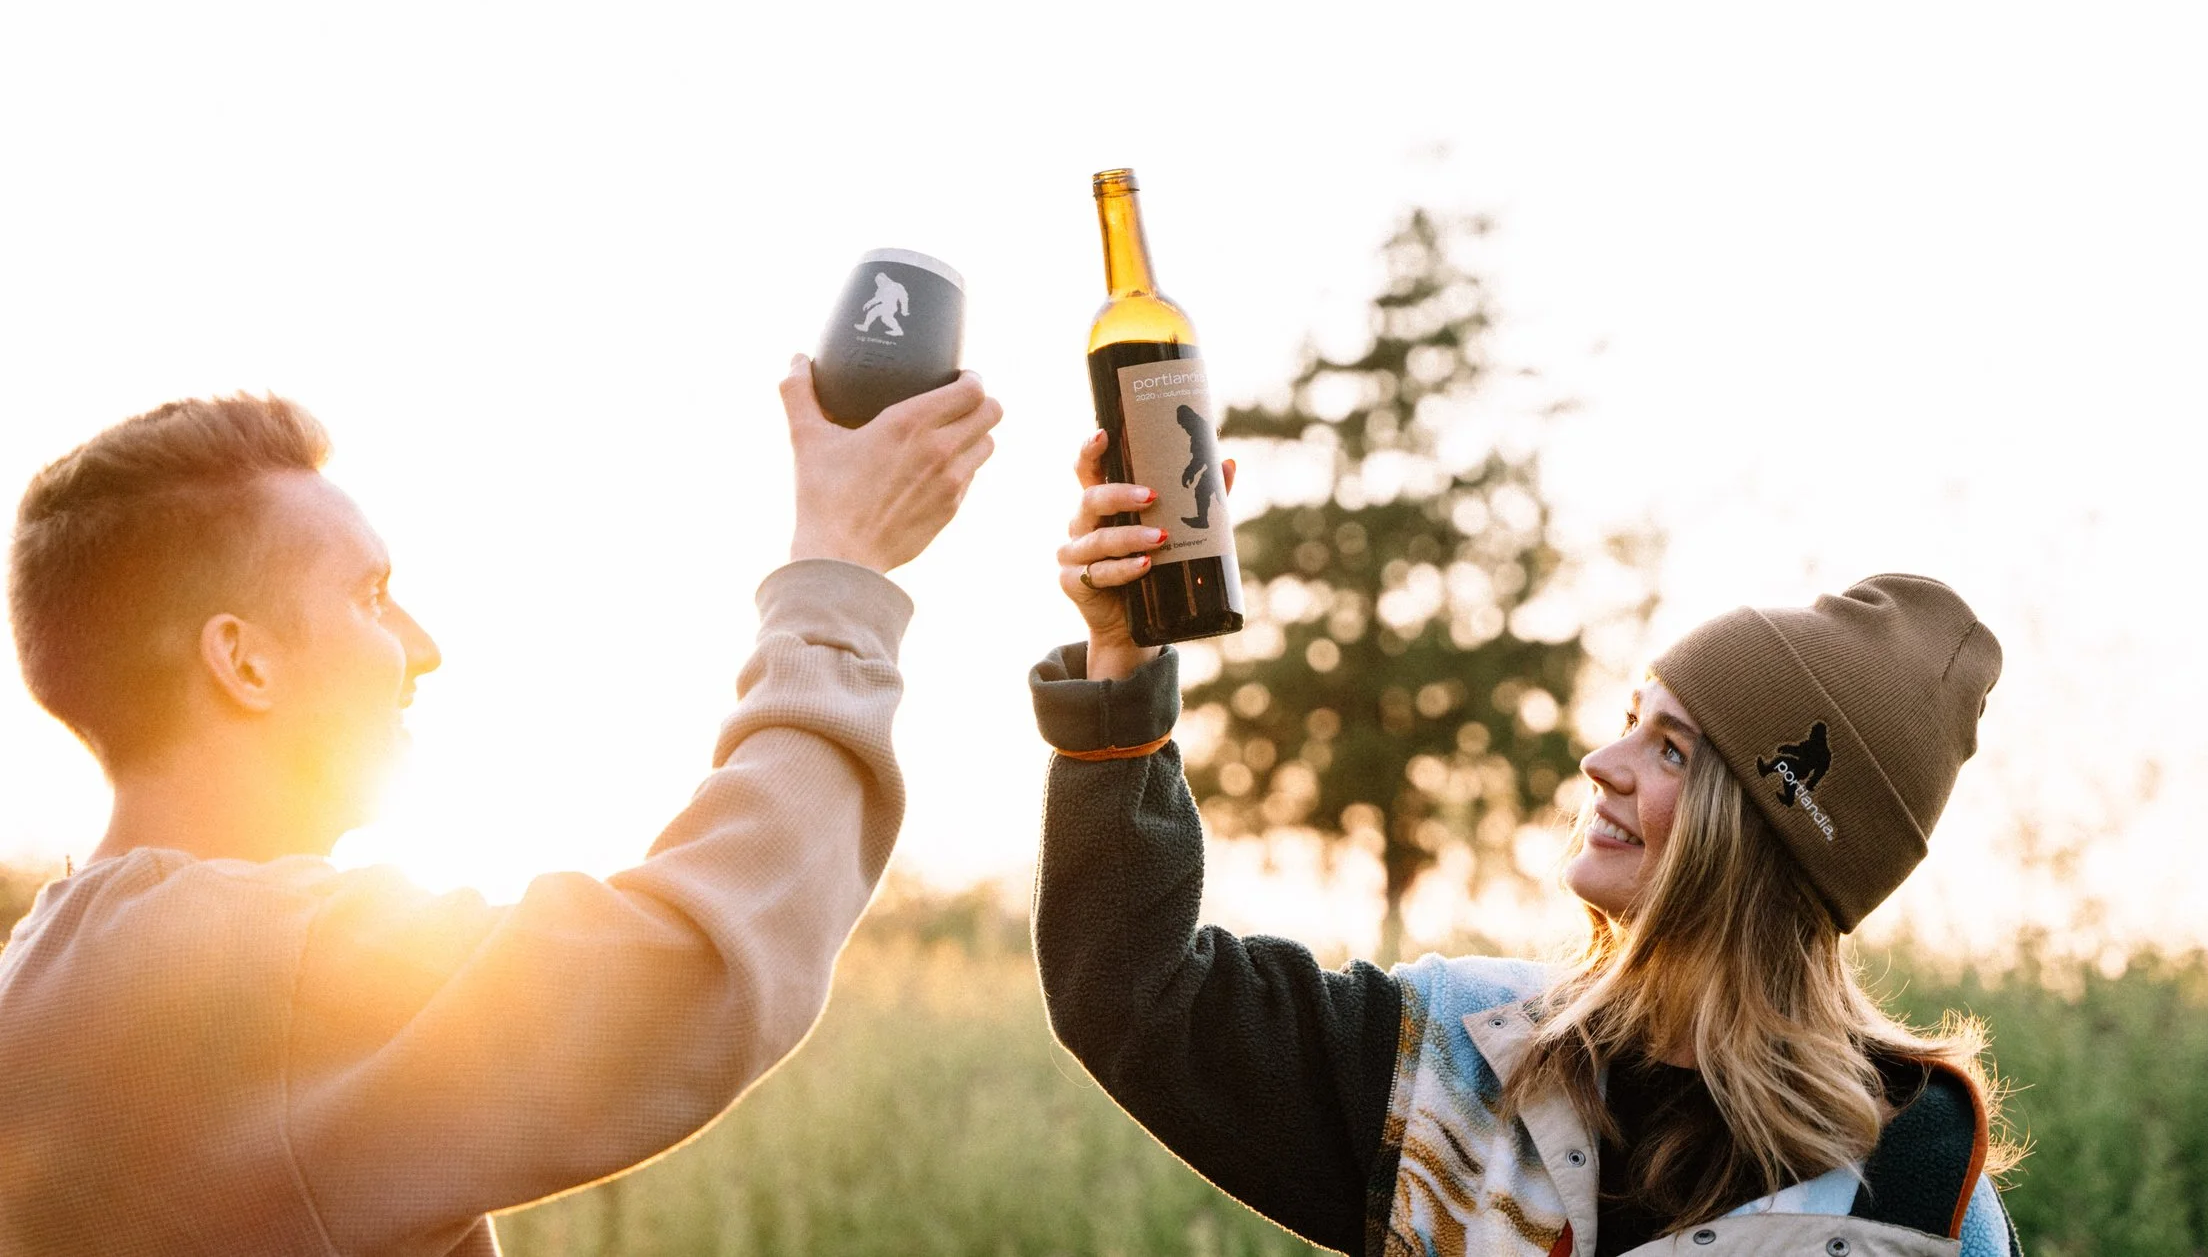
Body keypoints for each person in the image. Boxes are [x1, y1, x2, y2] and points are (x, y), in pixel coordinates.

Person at [0, 359, 1002, 1257]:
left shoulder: (43, 984)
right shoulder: (244, 966)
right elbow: (699, 971)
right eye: (371, 597)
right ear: (244, 661)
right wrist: (840, 570)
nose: (423, 646)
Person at [1031, 434, 2025, 1257]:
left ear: (1765, 833)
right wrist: (1123, 658)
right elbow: (1132, 993)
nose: (1601, 762)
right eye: (1631, 722)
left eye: (1671, 751)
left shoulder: (1919, 1199)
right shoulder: (1455, 1063)